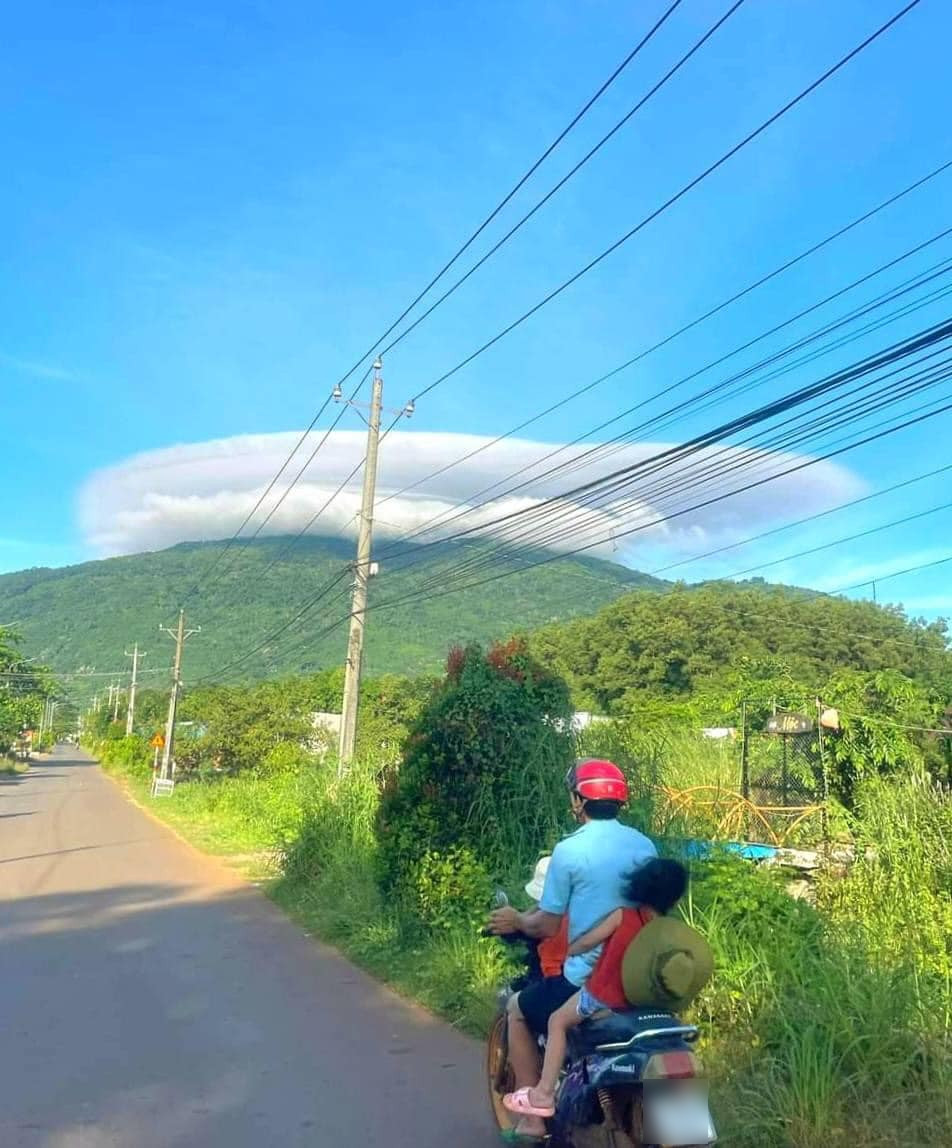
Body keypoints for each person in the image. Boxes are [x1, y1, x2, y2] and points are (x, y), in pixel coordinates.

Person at [488, 759, 657, 1140]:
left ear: (579, 801)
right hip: (640, 974)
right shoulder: (645, 845)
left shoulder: (568, 851)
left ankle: (534, 1117)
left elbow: (546, 925)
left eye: (573, 796)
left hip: (588, 980)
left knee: (517, 1009)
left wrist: (517, 920)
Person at [502, 858, 689, 1120]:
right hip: (644, 1002)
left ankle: (543, 1093)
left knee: (557, 1021)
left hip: (603, 996)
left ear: (639, 885)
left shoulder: (623, 915)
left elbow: (586, 943)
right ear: (676, 898)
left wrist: (573, 950)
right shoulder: (669, 930)